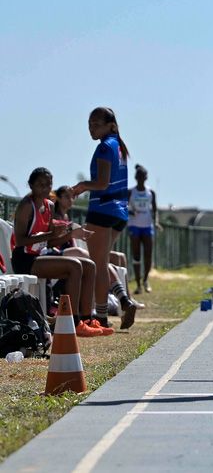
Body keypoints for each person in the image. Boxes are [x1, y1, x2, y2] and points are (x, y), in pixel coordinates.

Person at [10, 168, 108, 337]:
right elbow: (20, 241)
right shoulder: (27, 206)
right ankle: (74, 322)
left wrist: (71, 234)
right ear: (31, 185)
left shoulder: (48, 206)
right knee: (75, 266)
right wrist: (51, 234)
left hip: (41, 256)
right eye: (41, 185)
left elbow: (50, 241)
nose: (45, 188)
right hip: (25, 259)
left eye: (49, 184)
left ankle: (87, 319)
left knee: (89, 266)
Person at [72, 107, 130, 330]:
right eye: (89, 124)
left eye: (96, 124)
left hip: (103, 210)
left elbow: (102, 183)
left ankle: (101, 317)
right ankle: (122, 300)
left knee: (96, 265)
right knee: (102, 262)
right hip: (119, 212)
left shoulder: (105, 147)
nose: (91, 128)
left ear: (110, 125)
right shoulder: (119, 146)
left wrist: (81, 186)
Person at [52, 185, 140, 330]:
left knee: (105, 263)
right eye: (67, 196)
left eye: (72, 197)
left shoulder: (67, 217)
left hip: (70, 255)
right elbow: (54, 238)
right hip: (56, 253)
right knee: (93, 258)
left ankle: (124, 299)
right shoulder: (54, 216)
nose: (71, 200)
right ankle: (115, 306)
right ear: (58, 198)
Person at [128, 164, 160, 294]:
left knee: (148, 254)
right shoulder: (130, 192)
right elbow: (123, 207)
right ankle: (137, 284)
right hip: (134, 225)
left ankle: (145, 280)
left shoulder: (150, 192)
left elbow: (155, 210)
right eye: (139, 177)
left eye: (143, 177)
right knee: (136, 255)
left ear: (146, 178)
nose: (141, 179)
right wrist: (130, 212)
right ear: (136, 178)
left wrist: (156, 222)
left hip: (147, 226)